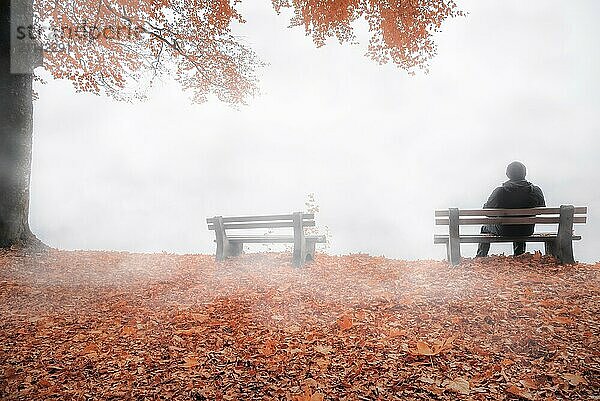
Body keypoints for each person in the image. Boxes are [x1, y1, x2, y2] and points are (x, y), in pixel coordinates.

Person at [476, 161, 546, 257]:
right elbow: (541, 209)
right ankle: (519, 254)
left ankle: (481, 256)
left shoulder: (500, 191)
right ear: (525, 174)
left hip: (504, 230)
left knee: (485, 226)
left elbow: (487, 212)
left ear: (507, 174)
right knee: (520, 224)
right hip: (526, 230)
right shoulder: (535, 190)